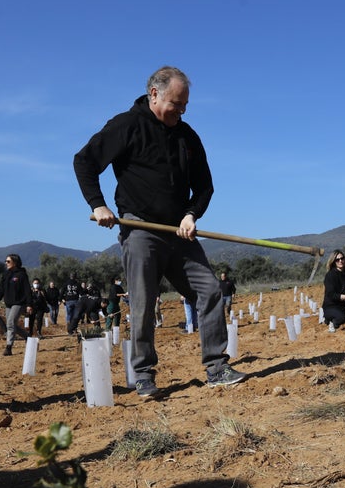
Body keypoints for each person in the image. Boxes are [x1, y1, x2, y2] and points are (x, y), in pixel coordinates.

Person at [73, 64, 245, 399]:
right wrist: (98, 204)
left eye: (184, 106)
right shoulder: (127, 125)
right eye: (175, 104)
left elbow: (205, 187)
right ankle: (143, 375)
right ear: (154, 94)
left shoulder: (187, 136)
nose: (180, 112)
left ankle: (216, 366)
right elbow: (84, 161)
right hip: (140, 228)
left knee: (209, 291)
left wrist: (191, 214)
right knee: (143, 301)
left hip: (179, 233)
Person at [0, 253, 33, 356]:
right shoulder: (6, 274)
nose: (6, 263)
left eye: (8, 261)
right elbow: (1, 288)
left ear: (15, 262)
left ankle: (8, 347)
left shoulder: (22, 274)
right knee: (10, 324)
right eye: (5, 261)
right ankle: (27, 336)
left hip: (19, 303)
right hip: (9, 303)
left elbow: (27, 290)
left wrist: (29, 304)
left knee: (10, 322)